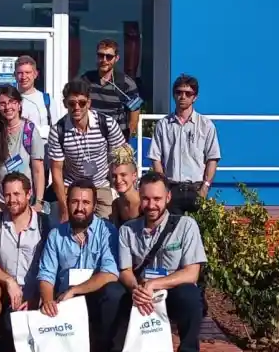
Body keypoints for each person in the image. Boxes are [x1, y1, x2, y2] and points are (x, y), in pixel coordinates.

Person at [117, 171, 208, 352]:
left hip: (171, 292)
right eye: (146, 198)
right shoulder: (127, 230)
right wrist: (136, 289)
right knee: (114, 293)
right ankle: (114, 351)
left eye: (157, 199)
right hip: (140, 293)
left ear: (168, 197)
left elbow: (192, 272)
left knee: (191, 294)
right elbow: (124, 270)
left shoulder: (186, 226)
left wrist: (154, 284)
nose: (151, 205)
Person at [37, 179, 125, 352]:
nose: (80, 208)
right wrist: (48, 300)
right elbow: (46, 274)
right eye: (75, 201)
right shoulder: (55, 235)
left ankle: (105, 351)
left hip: (95, 297)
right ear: (67, 202)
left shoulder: (107, 231)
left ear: (94, 205)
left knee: (115, 292)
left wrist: (75, 290)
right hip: (66, 302)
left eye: (86, 202)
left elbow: (110, 273)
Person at [0, 172, 53, 350]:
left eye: (17, 194)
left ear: (28, 194)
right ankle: (1, 325)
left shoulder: (46, 225)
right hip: (6, 291)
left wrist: (37, 297)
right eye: (7, 195)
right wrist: (8, 281)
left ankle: (13, 330)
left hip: (36, 292)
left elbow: (53, 266)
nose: (12, 200)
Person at [48, 78, 127, 222]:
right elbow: (56, 171)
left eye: (82, 103)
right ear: (65, 104)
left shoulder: (107, 124)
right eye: (72, 103)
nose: (77, 107)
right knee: (68, 227)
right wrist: (64, 208)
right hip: (71, 185)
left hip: (101, 184)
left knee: (106, 226)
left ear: (89, 103)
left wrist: (120, 189)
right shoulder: (58, 131)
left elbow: (122, 160)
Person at [149, 74, 221, 215]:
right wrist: (163, 187)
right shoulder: (163, 125)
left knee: (198, 228)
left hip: (196, 188)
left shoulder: (206, 125)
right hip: (172, 188)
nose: (183, 97)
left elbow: (212, 158)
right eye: (179, 92)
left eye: (188, 93)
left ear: (195, 97)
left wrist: (205, 188)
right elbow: (155, 158)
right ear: (173, 95)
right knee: (173, 228)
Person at [0, 85, 45, 217]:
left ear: (19, 105)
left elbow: (38, 169)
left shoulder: (29, 130)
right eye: (2, 103)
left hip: (24, 200)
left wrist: (38, 201)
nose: (7, 107)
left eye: (12, 102)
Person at [82, 39, 143, 139]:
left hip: (116, 140)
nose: (104, 60)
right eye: (101, 55)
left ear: (116, 58)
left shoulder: (126, 84)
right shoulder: (85, 80)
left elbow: (135, 114)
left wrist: (125, 138)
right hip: (91, 139)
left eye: (109, 56)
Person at [109, 145, 141, 225]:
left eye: (123, 175)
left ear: (134, 175)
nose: (118, 180)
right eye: (114, 176)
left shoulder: (143, 202)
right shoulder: (116, 204)